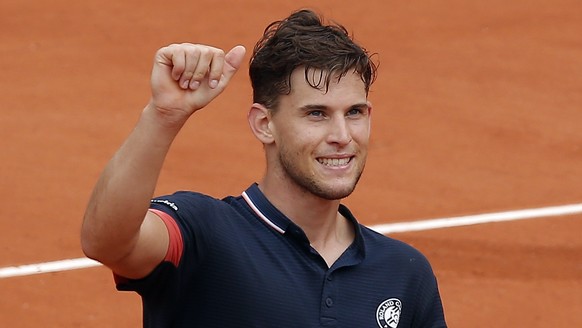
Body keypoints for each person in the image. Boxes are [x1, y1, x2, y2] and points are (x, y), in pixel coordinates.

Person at [81, 9, 447, 328]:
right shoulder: (205, 234)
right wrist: (162, 116)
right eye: (316, 114)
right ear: (264, 124)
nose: (342, 135)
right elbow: (107, 242)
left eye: (354, 112)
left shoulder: (403, 273)